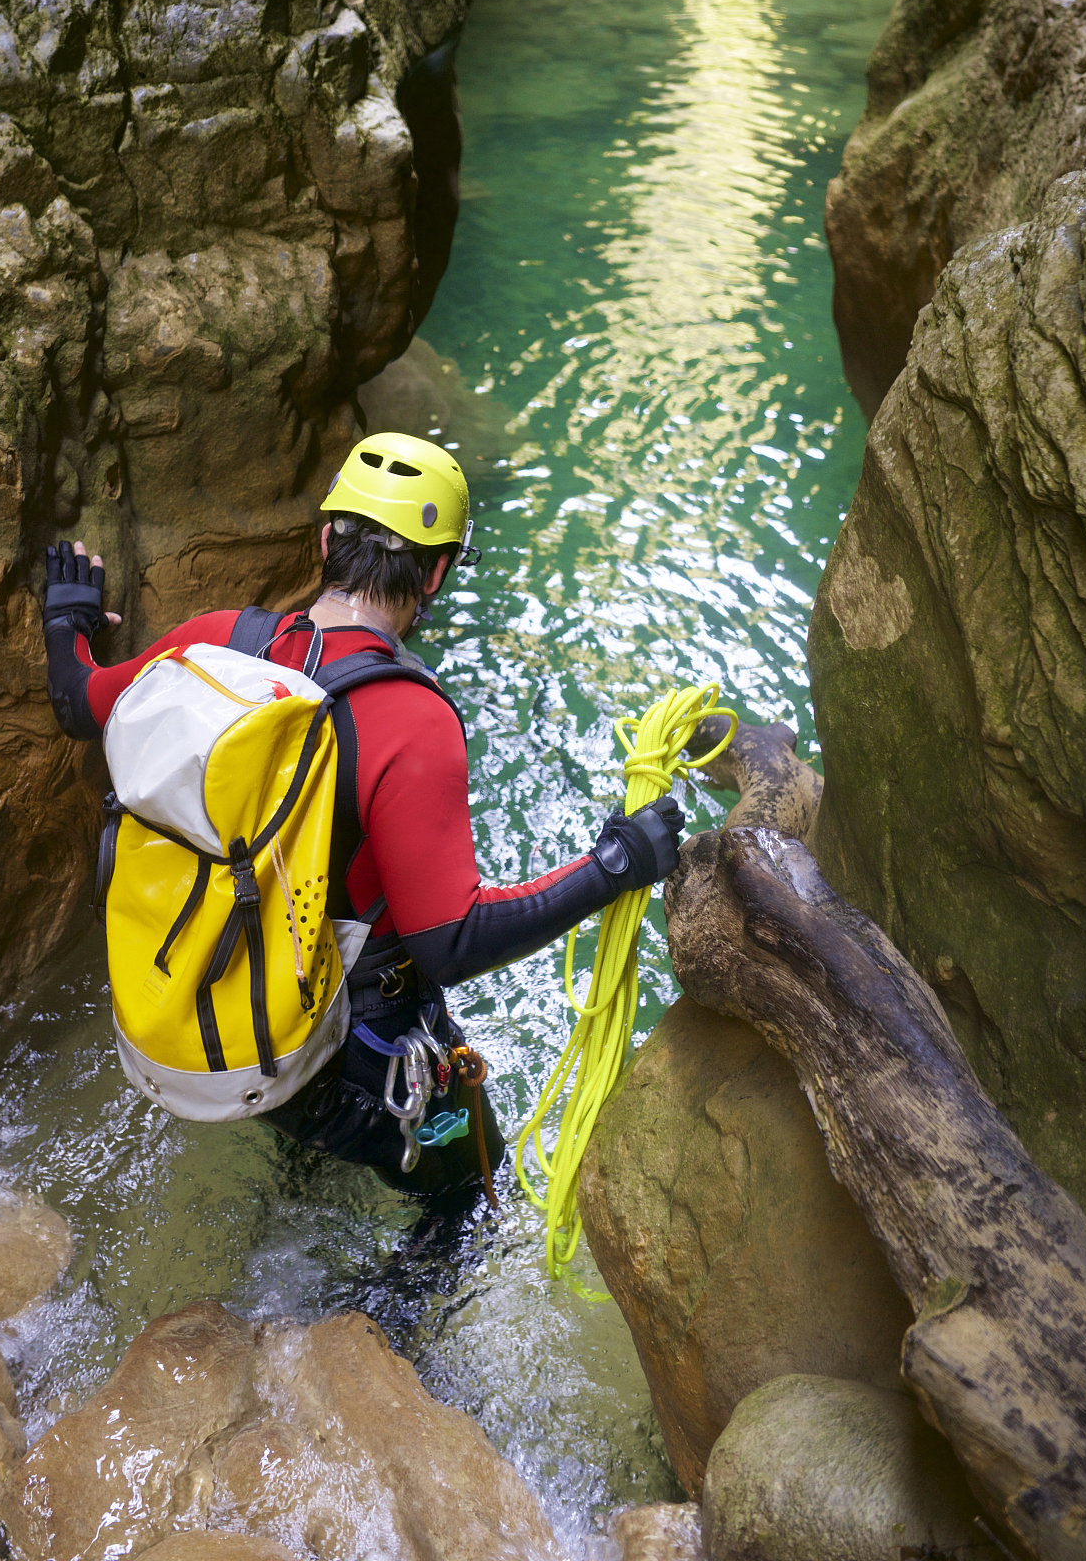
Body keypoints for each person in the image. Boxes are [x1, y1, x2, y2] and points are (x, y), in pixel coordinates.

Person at [43, 431, 684, 1204]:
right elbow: (451, 940)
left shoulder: (214, 642)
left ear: (323, 541)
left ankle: (304, 1172)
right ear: (437, 572)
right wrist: (618, 864)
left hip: (216, 994)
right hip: (347, 1045)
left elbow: (79, 703)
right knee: (475, 1199)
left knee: (322, 1121)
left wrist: (67, 620)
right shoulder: (411, 719)